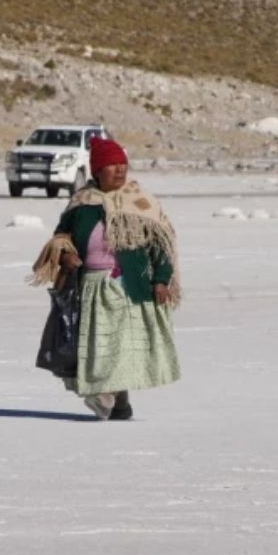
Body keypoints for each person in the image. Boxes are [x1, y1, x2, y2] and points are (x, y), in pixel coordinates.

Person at [42, 136, 182, 420]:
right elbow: (61, 237)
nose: (120, 170)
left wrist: (161, 279)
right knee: (99, 347)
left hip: (129, 286)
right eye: (111, 165)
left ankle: (105, 398)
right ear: (96, 171)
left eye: (123, 164)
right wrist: (66, 256)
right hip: (90, 287)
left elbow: (161, 244)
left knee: (118, 348)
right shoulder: (81, 203)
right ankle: (119, 404)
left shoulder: (140, 201)